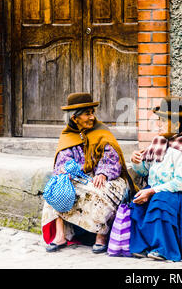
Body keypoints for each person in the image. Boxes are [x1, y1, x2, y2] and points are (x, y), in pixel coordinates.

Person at [41, 92, 137, 253]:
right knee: (55, 189)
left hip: (108, 177)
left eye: (92, 113)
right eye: (87, 114)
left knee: (100, 190)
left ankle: (101, 235)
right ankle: (60, 235)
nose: (92, 117)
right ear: (74, 118)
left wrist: (103, 173)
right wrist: (66, 172)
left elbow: (112, 158)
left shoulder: (101, 132)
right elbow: (63, 162)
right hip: (82, 177)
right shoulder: (67, 136)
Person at [129, 96, 182, 262]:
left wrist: (152, 191)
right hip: (161, 192)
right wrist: (136, 162)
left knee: (159, 202)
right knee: (137, 202)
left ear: (176, 123)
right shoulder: (159, 142)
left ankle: (163, 249)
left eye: (162, 120)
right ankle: (144, 246)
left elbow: (181, 182)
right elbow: (146, 171)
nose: (157, 124)